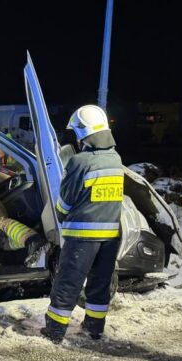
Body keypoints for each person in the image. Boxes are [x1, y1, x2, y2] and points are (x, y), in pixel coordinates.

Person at [41, 105, 124, 344]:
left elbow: (65, 202)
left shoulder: (79, 161)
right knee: (100, 283)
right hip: (110, 235)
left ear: (82, 133)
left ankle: (55, 329)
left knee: (68, 281)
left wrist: (59, 213)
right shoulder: (115, 159)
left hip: (82, 235)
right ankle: (95, 327)